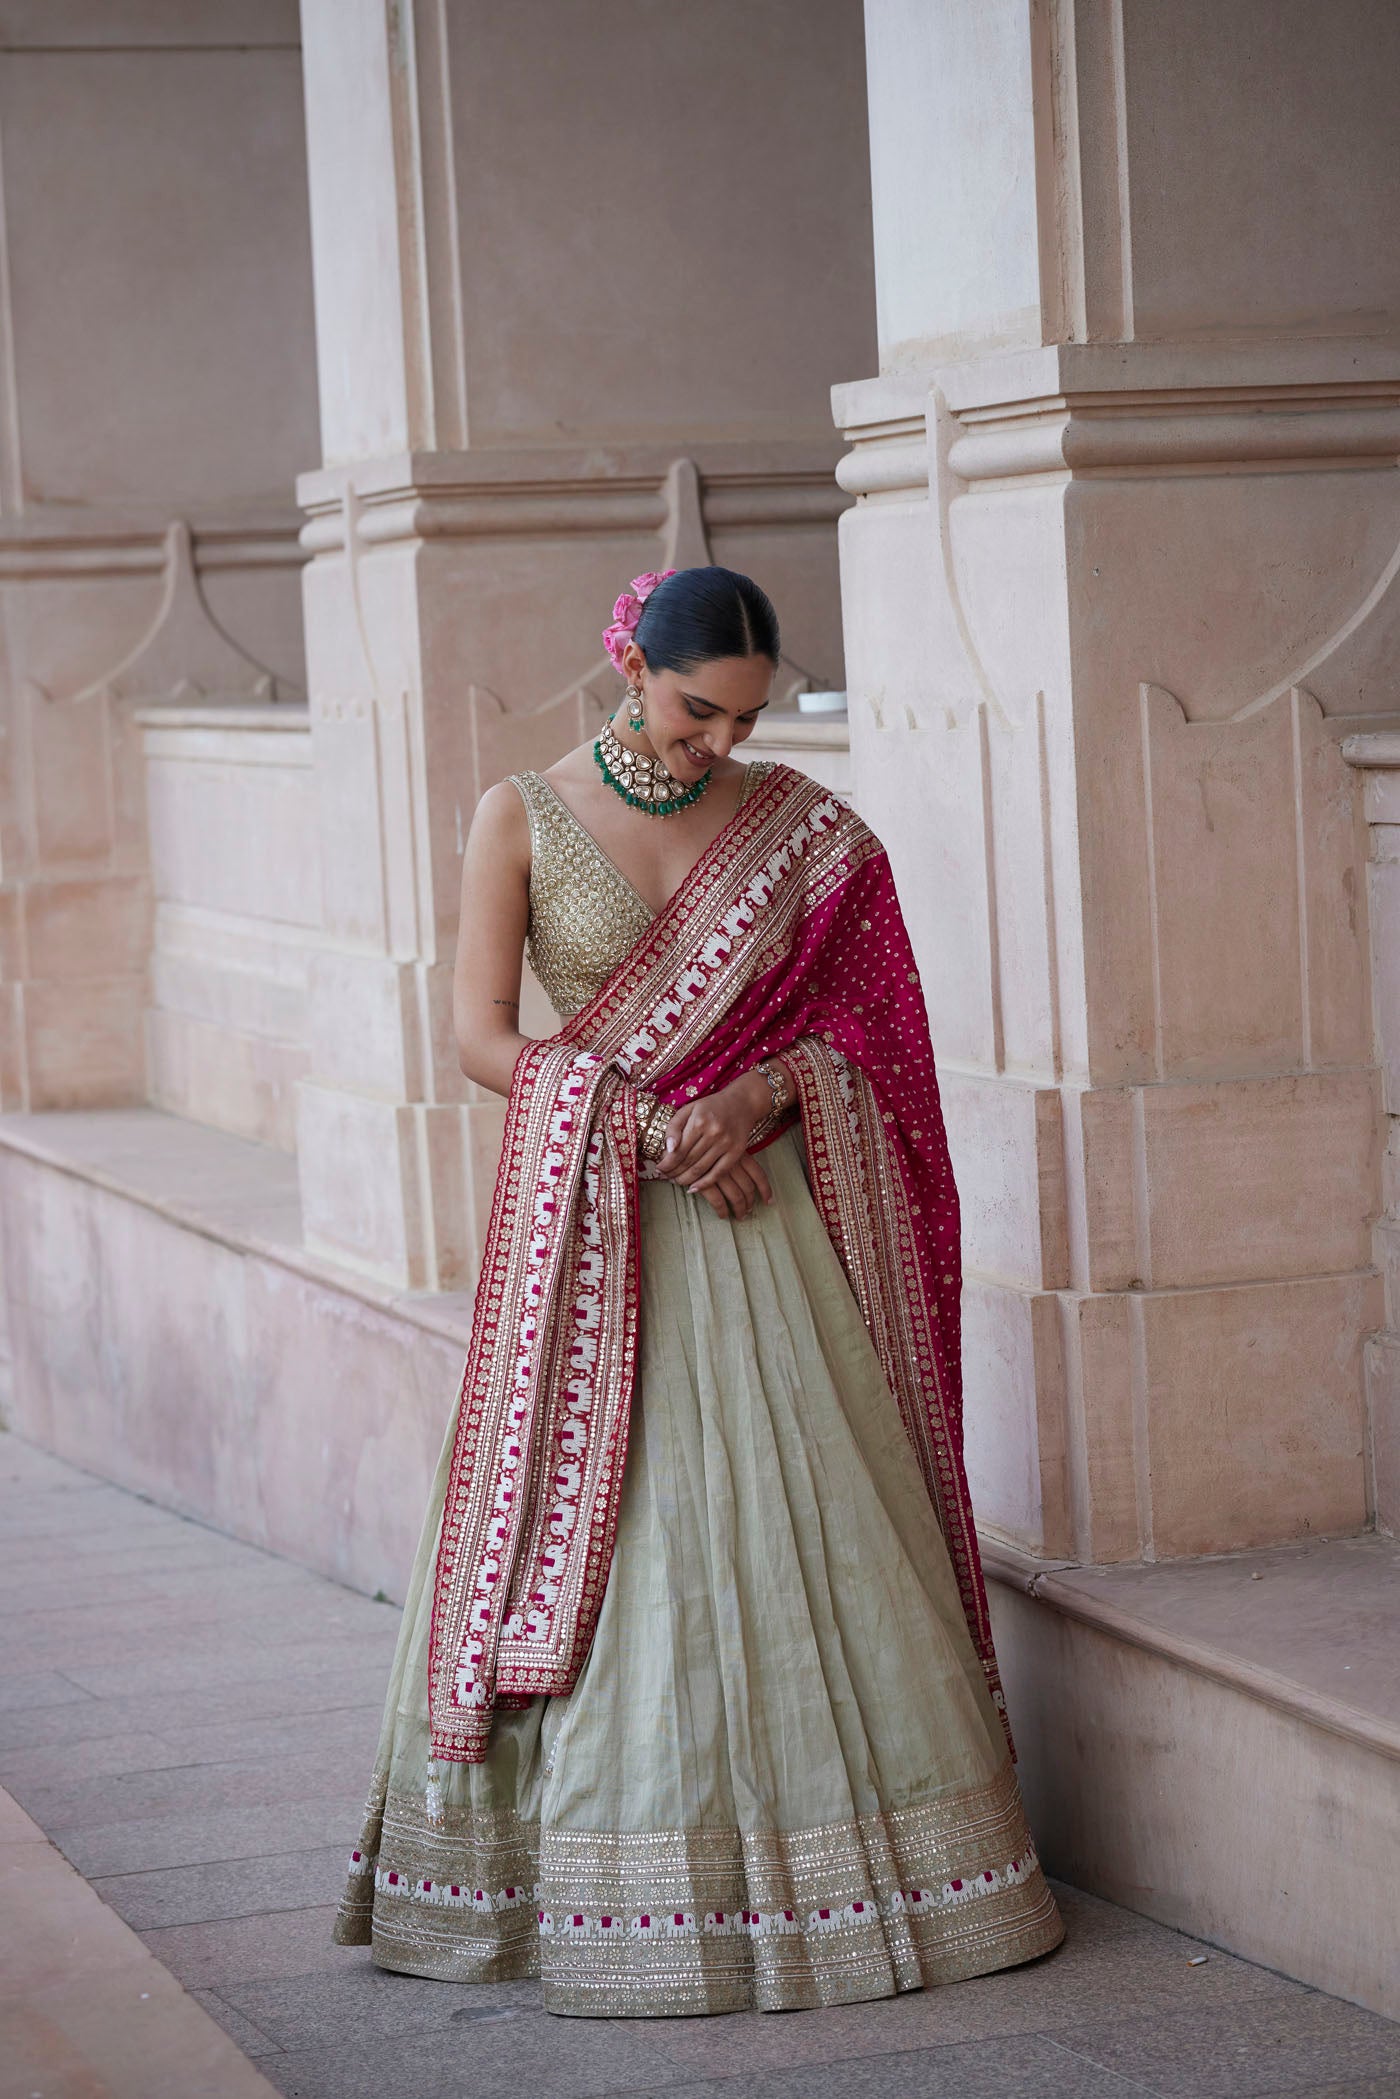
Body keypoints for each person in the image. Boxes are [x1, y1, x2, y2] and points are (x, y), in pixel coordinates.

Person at [334, 565, 1064, 2016]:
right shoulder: (519, 815)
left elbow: (882, 1036)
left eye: (740, 719)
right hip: (605, 1230)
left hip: (772, 1226)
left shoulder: (803, 832)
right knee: (629, 1540)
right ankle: (606, 1885)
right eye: (692, 712)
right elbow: (481, 1037)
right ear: (629, 666)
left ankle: (879, 1883)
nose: (715, 745)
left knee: (810, 1531)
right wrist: (652, 1122)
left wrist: (774, 1090)